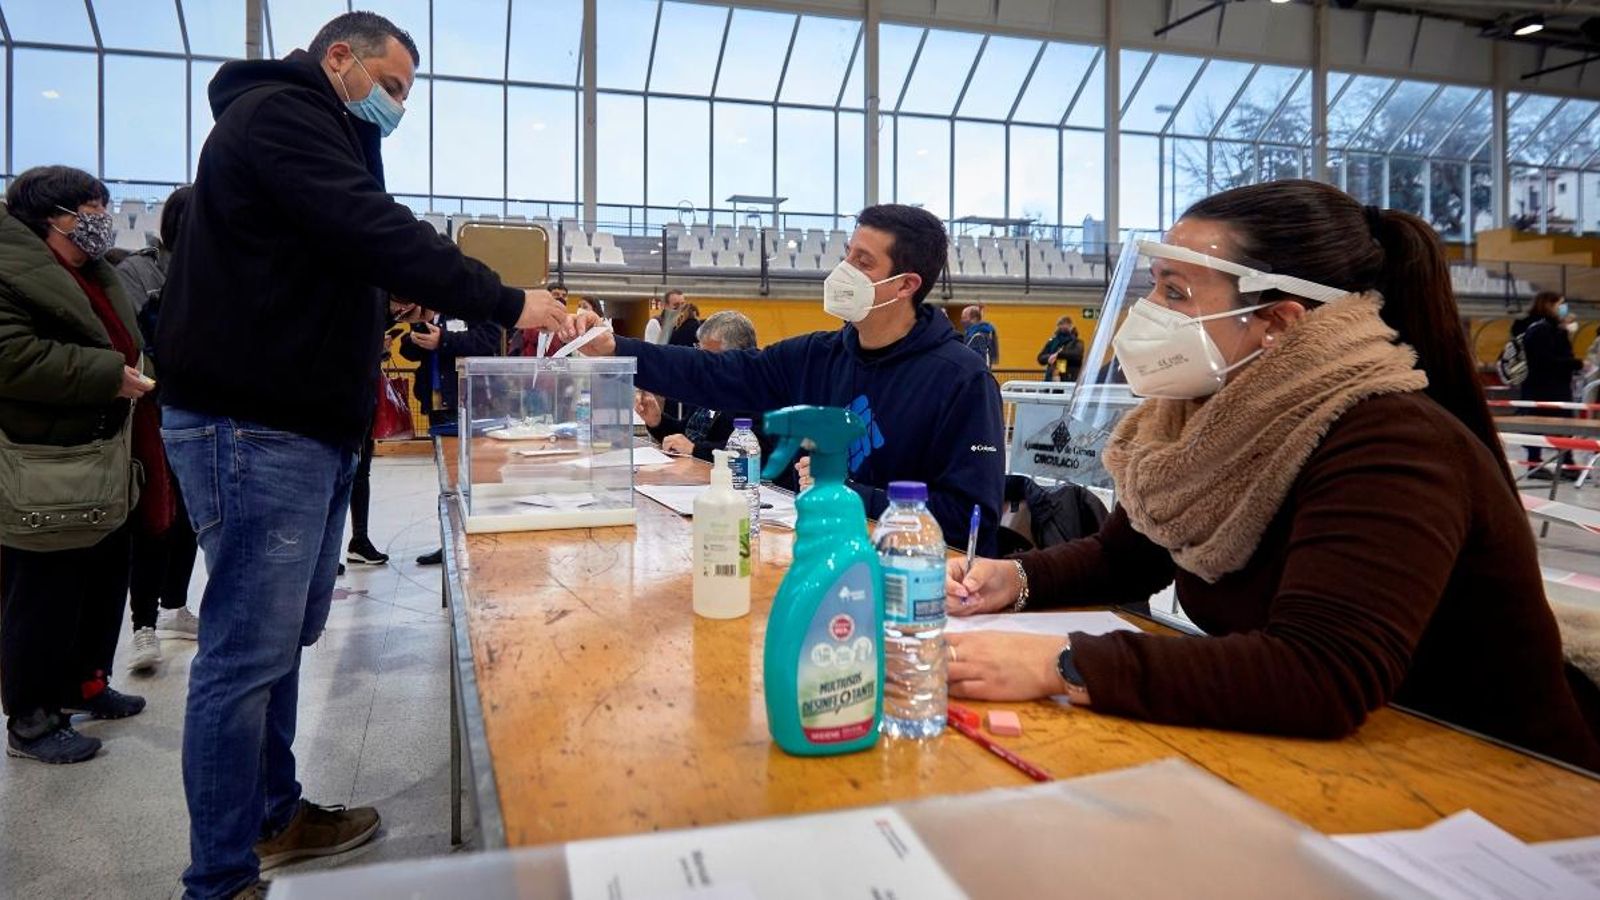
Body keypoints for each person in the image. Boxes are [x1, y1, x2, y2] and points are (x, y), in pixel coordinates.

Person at [941, 180, 1600, 773]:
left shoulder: (1391, 442)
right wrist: (1016, 578)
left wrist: (1060, 661)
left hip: (1489, 780)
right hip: (1335, 763)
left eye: (1176, 292)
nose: (1150, 312)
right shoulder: (1210, 418)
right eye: (1153, 287)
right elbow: (1127, 559)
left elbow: (1320, 672)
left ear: (1278, 324)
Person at [155, 13, 568, 898]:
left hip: (299, 425)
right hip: (254, 423)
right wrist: (503, 298)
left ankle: (274, 815)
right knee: (243, 654)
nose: (397, 105)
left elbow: (352, 245)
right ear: (338, 57)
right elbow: (373, 230)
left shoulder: (318, 130)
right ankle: (220, 875)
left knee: (279, 643)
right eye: (392, 85)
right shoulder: (279, 116)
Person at [568, 204, 1005, 554]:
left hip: (902, 579)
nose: (844, 270)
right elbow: (714, 373)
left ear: (906, 284)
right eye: (847, 254)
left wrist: (849, 494)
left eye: (863, 261)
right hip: (812, 554)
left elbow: (971, 525)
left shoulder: (962, 380)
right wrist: (618, 348)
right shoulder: (816, 355)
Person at [0, 166, 154, 763]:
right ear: (52, 216)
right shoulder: (13, 273)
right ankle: (32, 719)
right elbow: (11, 357)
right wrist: (105, 375)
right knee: (43, 591)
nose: (101, 218)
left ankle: (83, 682)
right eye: (90, 207)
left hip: (103, 450)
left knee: (101, 575)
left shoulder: (90, 271)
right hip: (46, 457)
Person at [117, 186, 202, 673]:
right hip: (153, 409)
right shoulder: (140, 270)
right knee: (155, 520)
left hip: (199, 410)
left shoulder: (218, 269)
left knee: (190, 518)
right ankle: (143, 624)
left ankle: (174, 606)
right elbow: (133, 337)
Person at [636, 311, 769, 459]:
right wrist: (658, 421)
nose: (702, 363)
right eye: (699, 351)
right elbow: (689, 435)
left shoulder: (763, 388)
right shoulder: (710, 382)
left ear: (735, 354)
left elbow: (758, 450)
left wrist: (696, 449)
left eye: (709, 357)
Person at [1516, 291, 1581, 480]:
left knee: (1552, 425)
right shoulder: (1542, 329)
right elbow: (1546, 360)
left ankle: (1561, 462)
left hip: (1542, 386)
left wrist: (1563, 329)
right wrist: (1577, 364)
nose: (1564, 307)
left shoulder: (1542, 327)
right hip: (1548, 386)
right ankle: (1543, 464)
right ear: (1549, 305)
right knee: (1559, 425)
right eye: (1561, 304)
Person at [1036, 315, 1083, 382]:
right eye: (1060, 324)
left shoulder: (1077, 342)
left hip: (1069, 378)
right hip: (1051, 377)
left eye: (1065, 324)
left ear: (1070, 325)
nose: (1062, 326)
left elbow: (1077, 355)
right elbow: (1040, 357)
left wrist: (1058, 355)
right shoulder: (1052, 341)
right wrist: (1049, 357)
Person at [960, 305, 999, 369]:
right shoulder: (969, 334)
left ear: (974, 319)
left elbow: (985, 359)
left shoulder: (980, 335)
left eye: (964, 318)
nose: (962, 320)